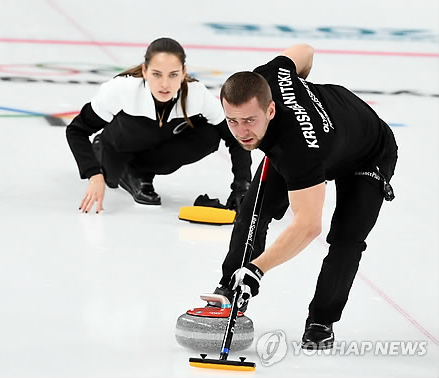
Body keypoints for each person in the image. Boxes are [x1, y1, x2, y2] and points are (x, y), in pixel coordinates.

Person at [207, 43, 398, 350]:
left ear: (270, 109)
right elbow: (304, 50)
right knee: (253, 209)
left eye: (250, 121)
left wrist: (257, 270)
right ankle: (230, 288)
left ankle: (321, 320)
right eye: (233, 121)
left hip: (368, 152)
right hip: (324, 136)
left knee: (346, 239)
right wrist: (302, 94)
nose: (241, 132)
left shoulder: (300, 150)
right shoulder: (269, 75)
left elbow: (308, 225)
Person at [66, 37, 251, 212]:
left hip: (152, 151)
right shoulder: (122, 90)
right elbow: (76, 130)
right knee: (115, 170)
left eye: (173, 75)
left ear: (183, 73)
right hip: (117, 148)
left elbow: (235, 137)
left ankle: (140, 172)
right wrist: (94, 175)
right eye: (156, 74)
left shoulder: (196, 95)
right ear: (145, 71)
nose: (165, 84)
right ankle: (108, 155)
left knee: (209, 136)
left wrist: (242, 187)